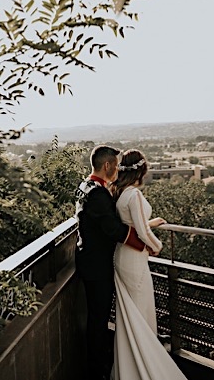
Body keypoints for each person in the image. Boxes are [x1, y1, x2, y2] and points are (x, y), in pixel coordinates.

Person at [76, 145, 150, 380]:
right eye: (116, 165)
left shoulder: (86, 186)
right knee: (98, 321)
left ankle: (101, 365)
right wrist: (142, 243)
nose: (118, 169)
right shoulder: (97, 193)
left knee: (98, 318)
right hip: (97, 266)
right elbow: (112, 228)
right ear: (107, 165)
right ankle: (98, 371)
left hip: (89, 261)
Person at [108, 150, 183, 380]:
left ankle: (130, 367)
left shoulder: (120, 194)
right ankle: (146, 369)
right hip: (134, 261)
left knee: (130, 315)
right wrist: (157, 246)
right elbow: (142, 231)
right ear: (141, 171)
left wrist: (150, 223)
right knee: (142, 313)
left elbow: (132, 223)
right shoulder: (135, 196)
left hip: (121, 258)